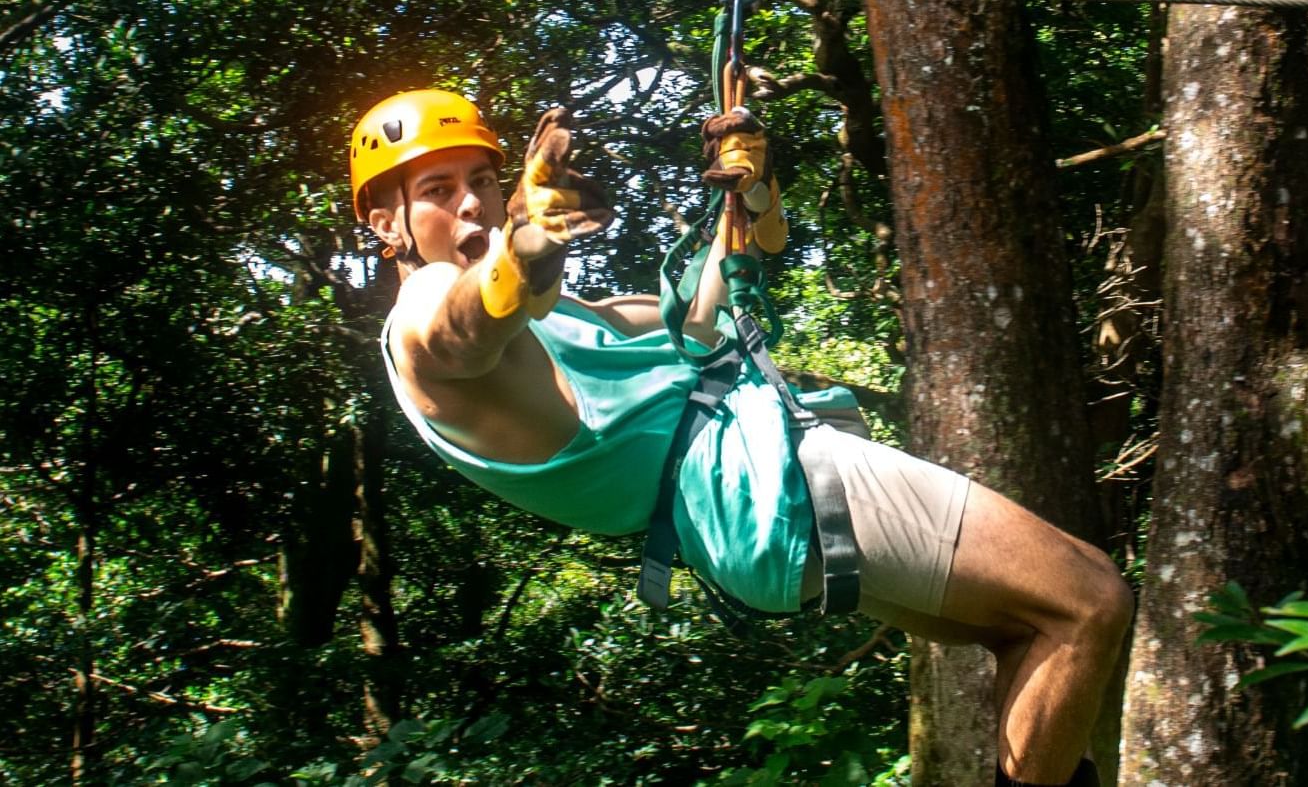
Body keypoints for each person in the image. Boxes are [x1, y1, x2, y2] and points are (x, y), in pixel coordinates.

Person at [351, 88, 1132, 787]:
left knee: (1027, 628)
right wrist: (521, 254)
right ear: (386, 222)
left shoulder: (563, 317)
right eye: (436, 191)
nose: (474, 205)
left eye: (483, 180)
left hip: (745, 513)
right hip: (766, 482)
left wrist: (751, 193)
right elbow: (461, 330)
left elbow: (700, 313)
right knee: (1089, 598)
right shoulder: (419, 320)